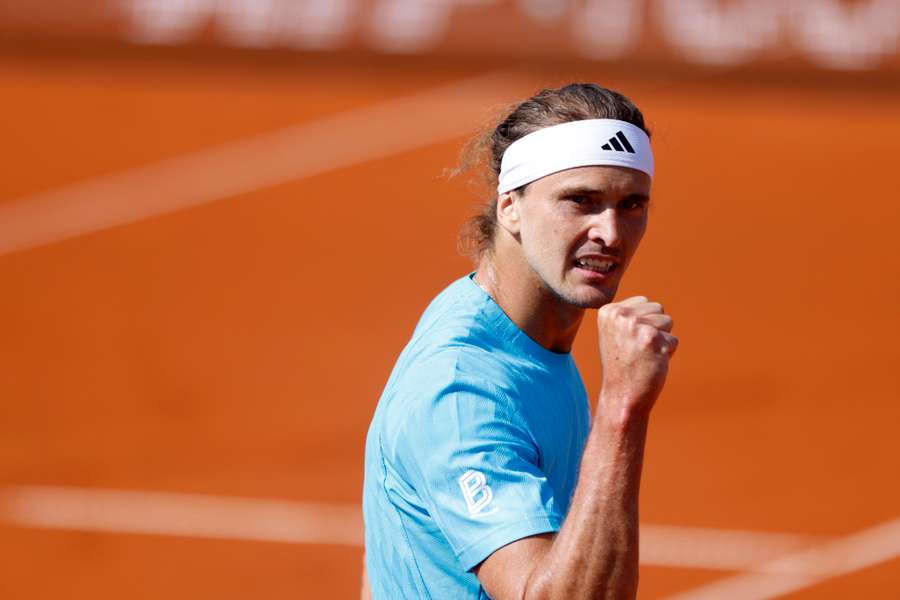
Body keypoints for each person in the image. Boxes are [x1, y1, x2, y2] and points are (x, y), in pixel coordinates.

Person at [362, 83, 678, 599]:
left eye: (631, 204)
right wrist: (623, 407)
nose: (612, 233)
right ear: (510, 206)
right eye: (581, 201)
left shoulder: (521, 335)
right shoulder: (460, 392)